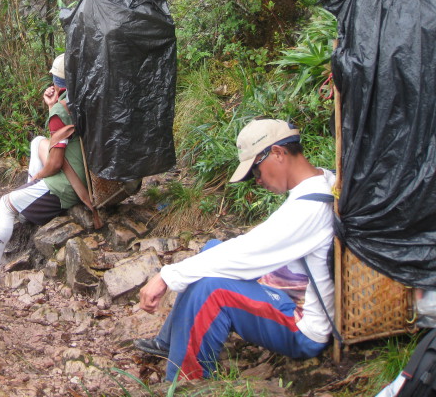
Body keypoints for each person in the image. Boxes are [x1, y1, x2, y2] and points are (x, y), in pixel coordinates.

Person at [134, 118, 335, 381]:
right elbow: (253, 248)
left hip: (302, 325)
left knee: (211, 291)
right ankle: (170, 343)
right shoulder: (323, 179)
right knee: (212, 250)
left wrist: (166, 277)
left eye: (255, 171)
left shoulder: (309, 209)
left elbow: (248, 251)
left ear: (277, 153)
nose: (257, 180)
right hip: (287, 288)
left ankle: (184, 382)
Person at [0, 54, 88, 282]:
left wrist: (38, 178)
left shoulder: (61, 110)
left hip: (69, 185)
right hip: (86, 172)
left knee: (5, 204)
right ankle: (27, 201)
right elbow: (60, 139)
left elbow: (55, 163)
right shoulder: (84, 97)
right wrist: (52, 106)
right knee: (37, 142)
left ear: (57, 81)